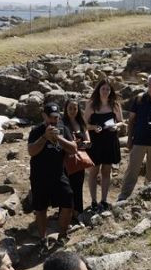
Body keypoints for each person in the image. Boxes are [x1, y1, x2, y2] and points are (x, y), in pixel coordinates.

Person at [26, 102, 78, 242]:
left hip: (58, 174)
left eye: (57, 117)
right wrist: (44, 138)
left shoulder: (63, 129)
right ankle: (43, 238)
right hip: (39, 176)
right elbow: (31, 151)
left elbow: (73, 149)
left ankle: (62, 234)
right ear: (44, 116)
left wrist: (59, 138)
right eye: (51, 117)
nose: (54, 121)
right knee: (41, 208)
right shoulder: (36, 131)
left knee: (68, 202)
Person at [117, 74, 151, 202]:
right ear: (147, 84)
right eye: (150, 84)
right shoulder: (139, 99)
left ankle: (148, 196)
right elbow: (131, 120)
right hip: (139, 139)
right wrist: (129, 139)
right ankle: (123, 196)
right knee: (132, 169)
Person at [82, 77, 122, 211]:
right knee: (93, 171)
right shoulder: (92, 104)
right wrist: (93, 127)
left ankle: (104, 200)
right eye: (103, 88)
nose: (105, 91)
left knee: (106, 171)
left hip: (110, 141)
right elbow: (84, 125)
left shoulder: (115, 104)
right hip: (95, 142)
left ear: (111, 91)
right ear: (98, 90)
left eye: (108, 89)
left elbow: (121, 121)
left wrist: (116, 127)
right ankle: (93, 200)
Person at [62, 98, 90, 219]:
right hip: (65, 160)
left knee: (78, 186)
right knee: (66, 187)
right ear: (66, 109)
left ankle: (77, 212)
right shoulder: (62, 123)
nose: (72, 111)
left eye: (75, 108)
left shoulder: (81, 122)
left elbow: (87, 138)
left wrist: (86, 142)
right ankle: (64, 212)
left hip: (79, 159)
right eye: (70, 108)